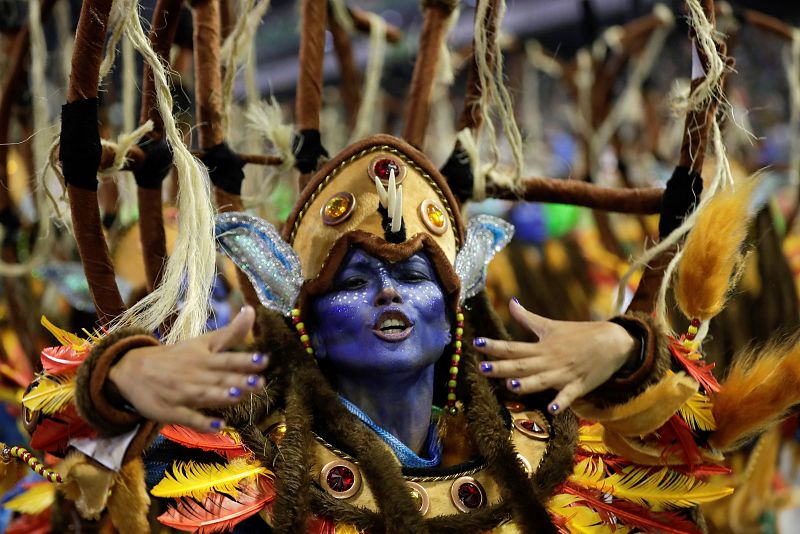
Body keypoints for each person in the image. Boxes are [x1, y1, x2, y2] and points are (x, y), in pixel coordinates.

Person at [25, 135, 730, 532]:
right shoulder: (247, 479)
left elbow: (704, 439)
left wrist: (626, 347)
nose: (391, 291)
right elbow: (61, 452)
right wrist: (121, 375)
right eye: (357, 280)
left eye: (419, 277)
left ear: (456, 306)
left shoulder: (547, 464)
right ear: (307, 319)